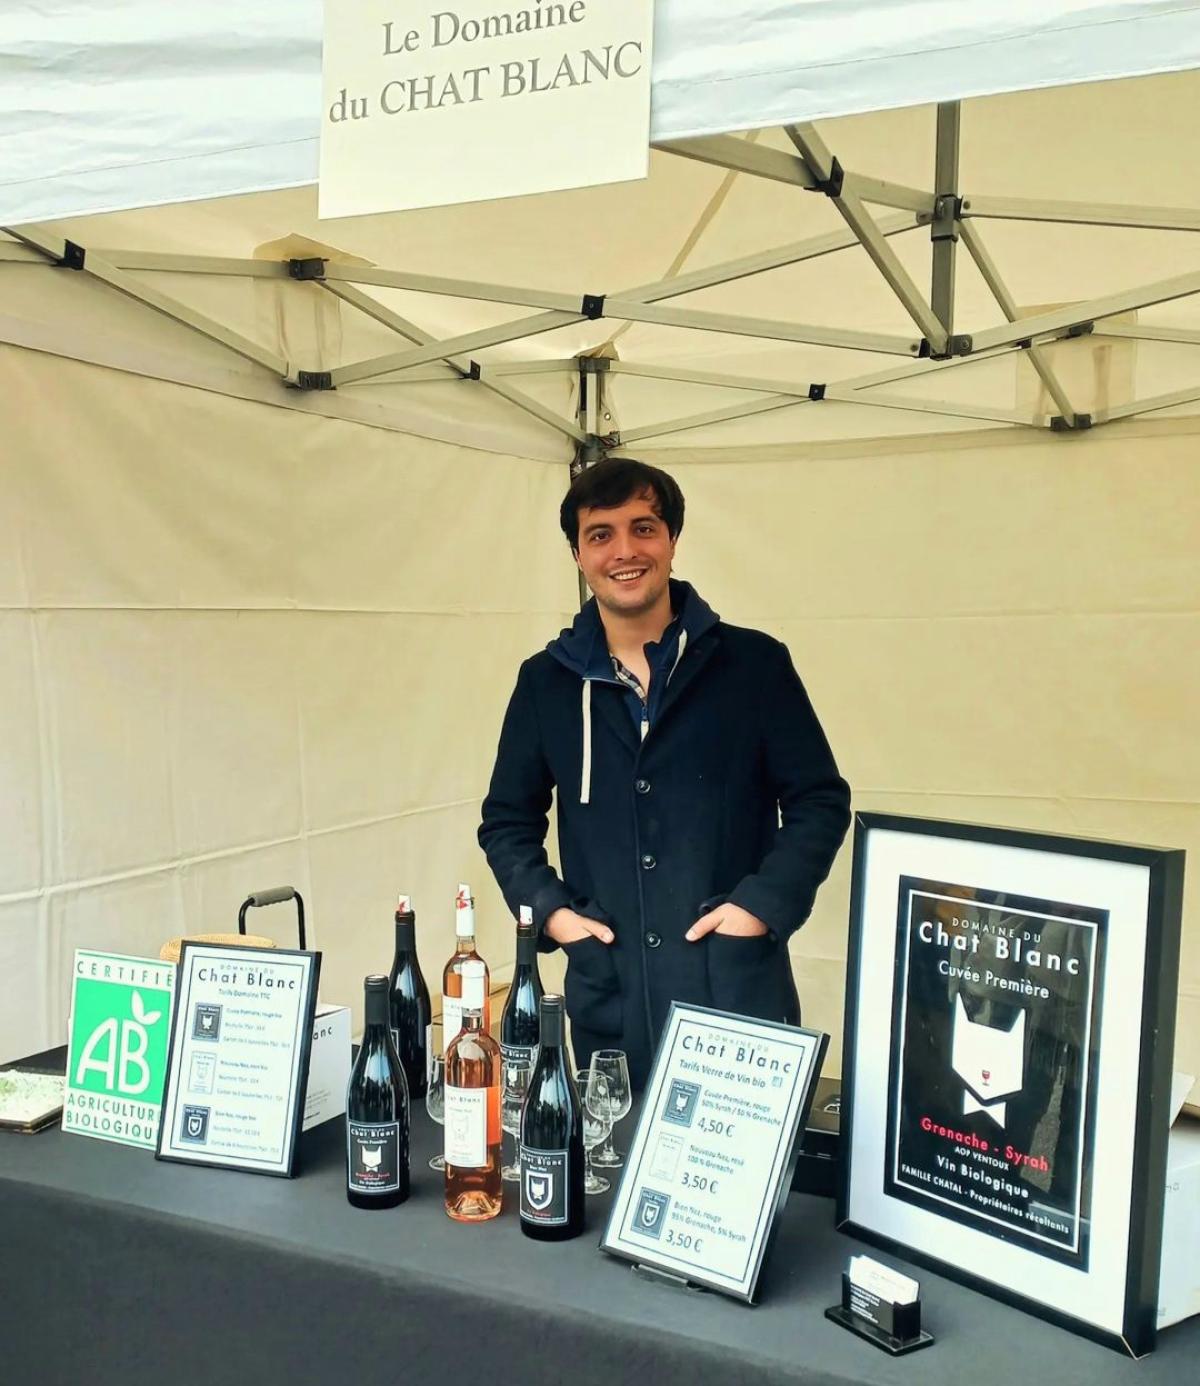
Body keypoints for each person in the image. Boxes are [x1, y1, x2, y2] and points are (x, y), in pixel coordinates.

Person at [478, 458, 850, 1086]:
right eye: (601, 534)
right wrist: (553, 915)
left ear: (673, 539)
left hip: (735, 995)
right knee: (615, 1146)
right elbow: (506, 823)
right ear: (577, 554)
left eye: (644, 528)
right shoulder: (546, 683)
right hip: (611, 1002)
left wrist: (759, 907)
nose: (624, 551)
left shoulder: (754, 666)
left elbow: (819, 801)